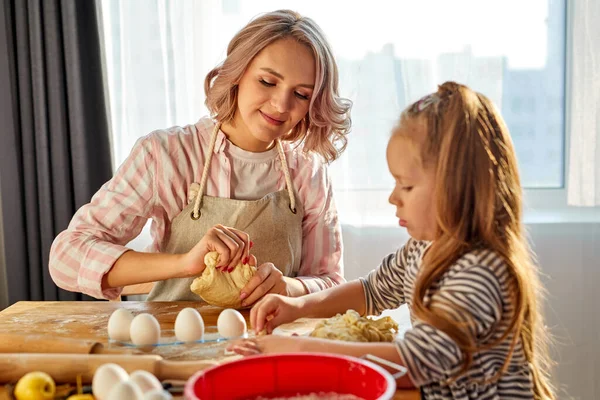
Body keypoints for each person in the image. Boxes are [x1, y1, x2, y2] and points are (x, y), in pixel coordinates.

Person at [229, 82, 555, 399]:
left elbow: (417, 363)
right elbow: (370, 292)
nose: (393, 198)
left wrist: (302, 349)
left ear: (457, 188)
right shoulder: (424, 247)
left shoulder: (478, 272)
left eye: (407, 186)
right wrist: (297, 305)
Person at [49, 9, 351, 304]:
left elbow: (330, 282)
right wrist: (184, 264)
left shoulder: (308, 170)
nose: (281, 105)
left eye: (301, 94)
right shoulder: (165, 155)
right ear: (237, 73)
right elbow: (67, 257)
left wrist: (291, 288)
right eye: (268, 82)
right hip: (173, 343)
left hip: (267, 344)